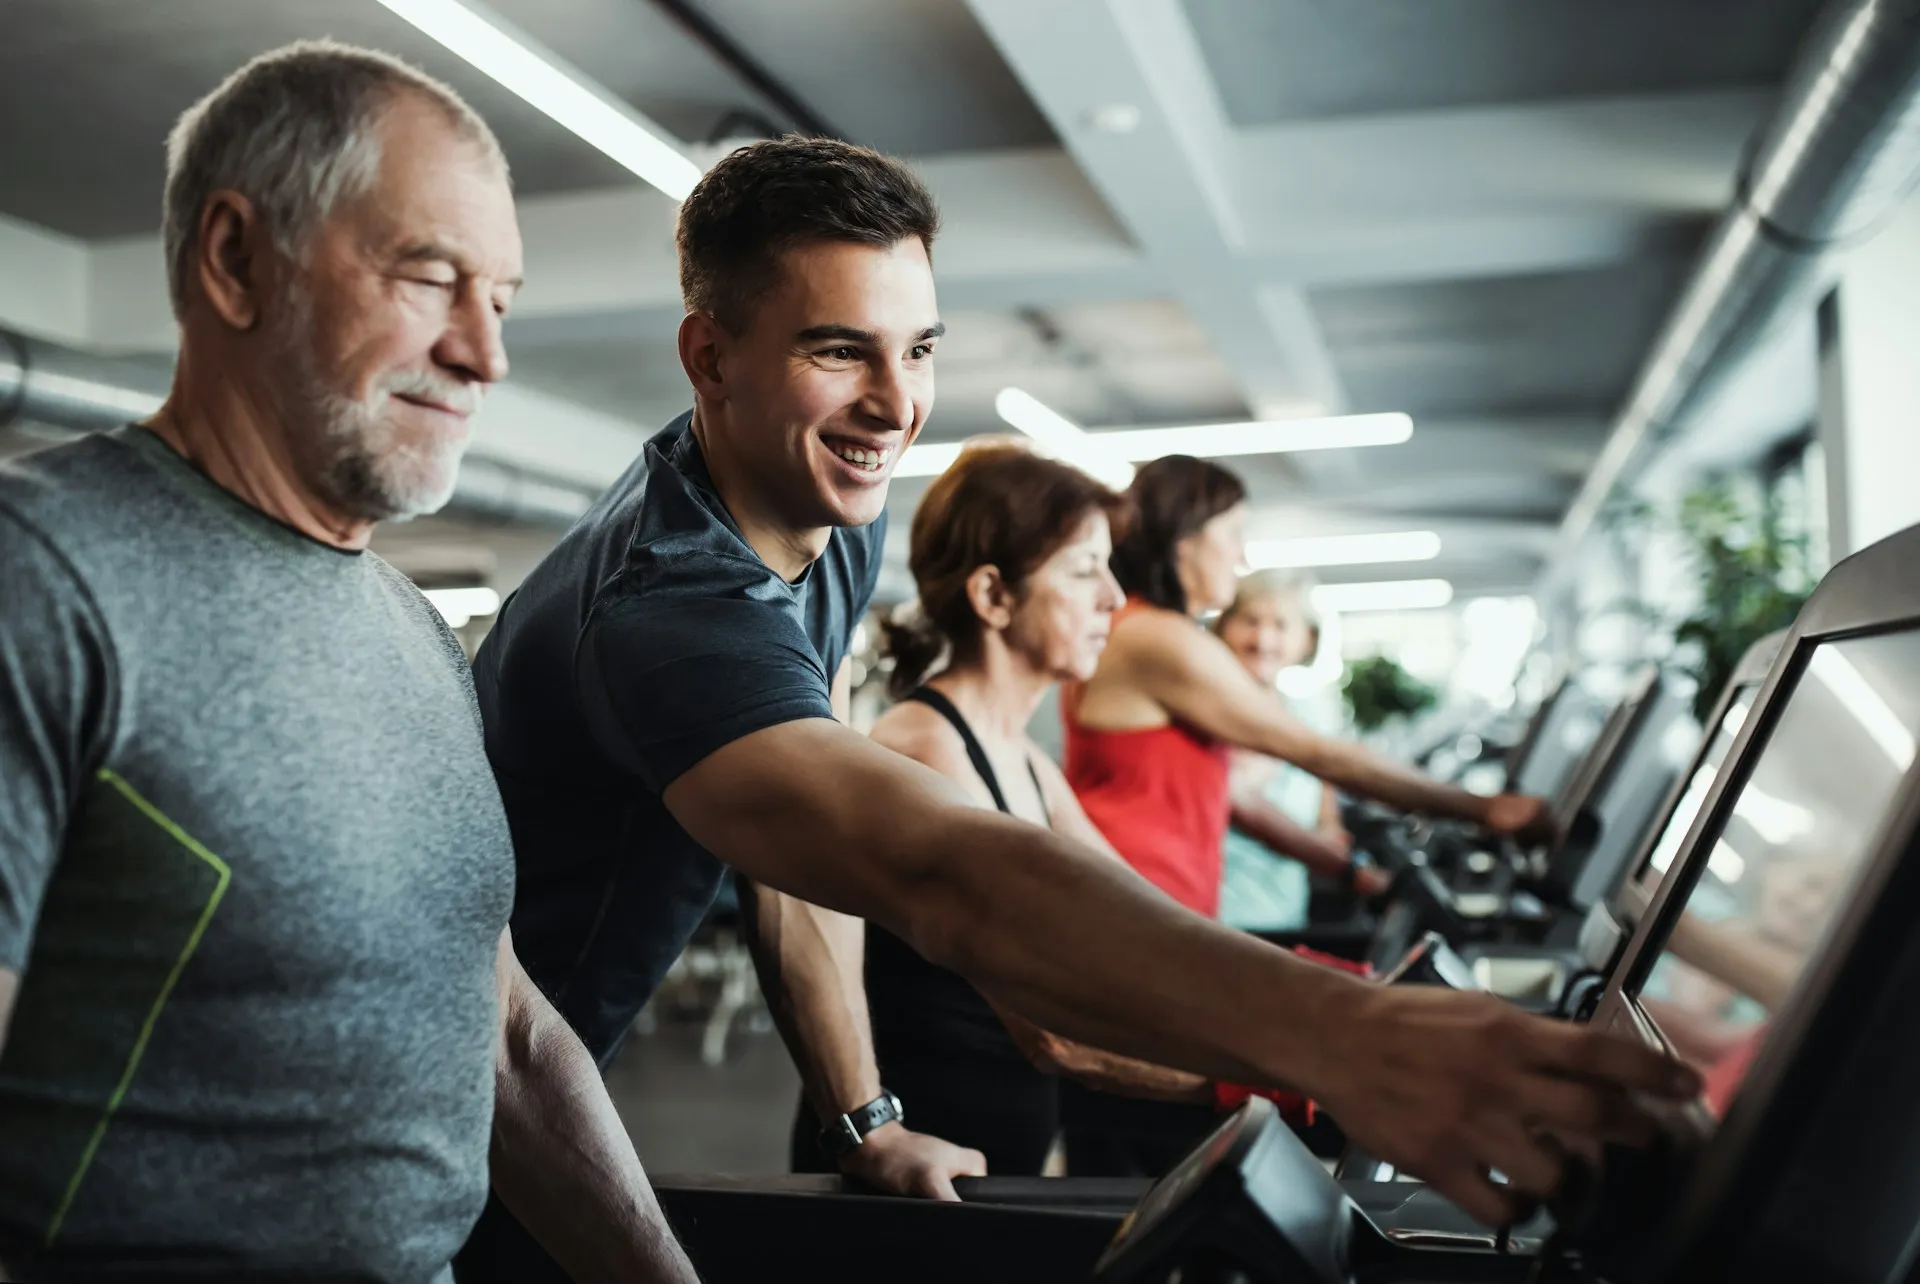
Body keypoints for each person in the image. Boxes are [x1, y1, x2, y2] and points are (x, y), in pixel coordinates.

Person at [465, 134, 1697, 1276]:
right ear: (709, 357)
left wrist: (864, 1117)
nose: (896, 406)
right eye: (839, 350)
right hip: (464, 1076)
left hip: (541, 1056)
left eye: (922, 349)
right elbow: (944, 873)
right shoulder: (672, 610)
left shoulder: (814, 510)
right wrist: (1345, 1040)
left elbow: (793, 864)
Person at [0, 43, 694, 1284]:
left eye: (505, 300)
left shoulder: (409, 627)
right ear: (235, 261)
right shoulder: (44, 577)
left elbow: (506, 1042)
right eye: (431, 278)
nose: (487, 355)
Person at [1056, 456, 1556, 1175]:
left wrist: (1351, 869)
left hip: (1155, 918)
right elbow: (1320, 753)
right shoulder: (1156, 637)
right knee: (1142, 1168)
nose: (1243, 555)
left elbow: (1239, 800)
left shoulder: (1151, 635)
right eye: (1234, 535)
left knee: (1158, 1161)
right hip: (1132, 922)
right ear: (1186, 538)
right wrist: (1487, 810)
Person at [818, 440, 1232, 1176]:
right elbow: (1053, 1032)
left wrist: (1330, 1001)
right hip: (926, 1175)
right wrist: (1301, 1076)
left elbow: (1139, 920)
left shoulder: (1024, 758)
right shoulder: (927, 752)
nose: (1112, 596)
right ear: (994, 596)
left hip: (1001, 1145)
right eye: (1083, 571)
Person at [1212, 570, 1387, 932]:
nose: (1263, 639)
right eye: (1250, 621)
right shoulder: (1206, 714)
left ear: (1306, 639)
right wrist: (1349, 868)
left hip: (1285, 917)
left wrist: (1336, 843)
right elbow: (1238, 803)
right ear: (1225, 629)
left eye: (1280, 625)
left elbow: (1328, 820)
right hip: (1213, 918)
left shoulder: (1310, 722)